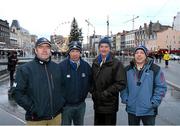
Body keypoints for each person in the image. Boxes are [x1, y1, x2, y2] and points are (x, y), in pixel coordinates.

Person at [12, 37, 65, 125]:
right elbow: (16, 92)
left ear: (50, 50)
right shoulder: (25, 69)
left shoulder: (57, 67)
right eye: (41, 47)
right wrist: (33, 108)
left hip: (56, 117)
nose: (44, 50)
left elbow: (63, 87)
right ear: (36, 50)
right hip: (36, 119)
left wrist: (61, 103)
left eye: (47, 47)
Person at [121, 45, 167, 125]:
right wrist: (126, 99)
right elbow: (123, 87)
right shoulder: (127, 69)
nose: (139, 55)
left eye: (142, 53)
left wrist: (153, 102)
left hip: (149, 110)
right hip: (132, 109)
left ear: (146, 55)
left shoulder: (155, 69)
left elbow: (161, 87)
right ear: (134, 55)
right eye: (137, 53)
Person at [91, 37, 126, 125]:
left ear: (110, 49)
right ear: (99, 48)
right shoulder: (95, 62)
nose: (104, 49)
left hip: (110, 103)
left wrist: (106, 93)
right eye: (101, 46)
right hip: (98, 103)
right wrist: (93, 92)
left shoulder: (116, 63)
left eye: (106, 47)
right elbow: (92, 80)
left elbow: (121, 83)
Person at [59, 41, 92, 125]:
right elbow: (57, 86)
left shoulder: (86, 66)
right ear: (69, 52)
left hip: (80, 105)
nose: (75, 54)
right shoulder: (61, 66)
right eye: (72, 51)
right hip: (66, 107)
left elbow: (90, 83)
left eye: (77, 51)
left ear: (80, 52)